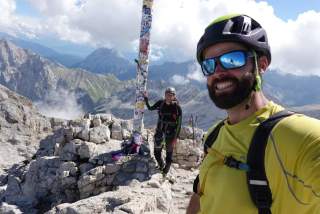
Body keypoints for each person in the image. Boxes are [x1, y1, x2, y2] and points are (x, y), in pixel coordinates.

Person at [186, 14, 320, 214]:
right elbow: (199, 195)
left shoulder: (300, 137)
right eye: (209, 65)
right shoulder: (214, 136)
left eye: (232, 59)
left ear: (262, 65)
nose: (218, 71)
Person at [144, 87, 182, 175]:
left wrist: (175, 139)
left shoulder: (177, 108)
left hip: (171, 133)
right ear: (164, 95)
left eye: (171, 95)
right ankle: (161, 165)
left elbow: (179, 124)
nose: (168, 97)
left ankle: (165, 172)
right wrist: (146, 98)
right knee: (156, 152)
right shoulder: (161, 103)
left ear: (174, 96)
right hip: (160, 131)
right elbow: (150, 108)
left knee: (169, 155)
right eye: (167, 94)